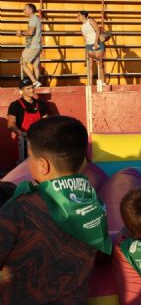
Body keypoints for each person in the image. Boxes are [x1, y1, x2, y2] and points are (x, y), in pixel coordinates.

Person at [0, 116, 112, 303]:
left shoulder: (20, 209)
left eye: (30, 157)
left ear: (43, 165)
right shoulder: (94, 204)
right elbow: (101, 253)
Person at [7, 77, 49, 162]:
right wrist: (20, 133)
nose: (32, 90)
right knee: (25, 164)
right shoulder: (15, 105)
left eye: (32, 87)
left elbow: (46, 121)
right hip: (24, 140)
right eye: (28, 88)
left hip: (39, 139)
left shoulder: (40, 104)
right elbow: (11, 124)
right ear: (21, 90)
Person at [15, 3, 43, 87]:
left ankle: (34, 82)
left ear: (30, 10)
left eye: (25, 9)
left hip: (33, 46)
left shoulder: (33, 19)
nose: (24, 11)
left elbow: (30, 33)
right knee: (35, 65)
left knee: (23, 62)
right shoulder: (36, 19)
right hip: (37, 46)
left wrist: (21, 33)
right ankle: (37, 83)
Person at [79, 10, 106, 83]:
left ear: (84, 16)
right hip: (89, 45)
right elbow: (85, 39)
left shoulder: (90, 21)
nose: (78, 17)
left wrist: (96, 42)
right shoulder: (81, 27)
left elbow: (97, 30)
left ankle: (103, 82)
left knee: (99, 64)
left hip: (97, 43)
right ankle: (90, 83)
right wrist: (85, 55)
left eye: (79, 15)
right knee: (89, 66)